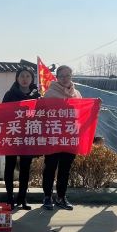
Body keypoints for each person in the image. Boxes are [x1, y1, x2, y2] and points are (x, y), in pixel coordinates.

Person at [41, 65, 82, 211]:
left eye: (68, 75)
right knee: (50, 167)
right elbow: (42, 114)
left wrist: (95, 105)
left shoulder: (77, 94)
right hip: (53, 136)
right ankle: (47, 196)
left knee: (65, 169)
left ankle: (61, 197)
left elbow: (82, 113)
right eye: (62, 76)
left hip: (70, 136)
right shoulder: (50, 93)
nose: (65, 78)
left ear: (71, 76)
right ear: (57, 77)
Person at [2, 67, 41, 210]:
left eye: (27, 76)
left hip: (29, 135)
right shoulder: (9, 94)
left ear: (32, 78)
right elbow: (2, 113)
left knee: (25, 168)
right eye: (22, 76)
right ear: (17, 78)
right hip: (12, 134)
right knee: (10, 166)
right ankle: (9, 197)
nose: (25, 79)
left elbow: (42, 115)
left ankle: (22, 198)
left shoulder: (37, 95)